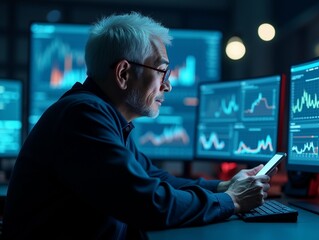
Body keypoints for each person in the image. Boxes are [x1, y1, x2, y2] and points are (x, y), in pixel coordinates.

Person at [3, 12, 275, 239]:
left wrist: (224, 186)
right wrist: (233, 201)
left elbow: (155, 179)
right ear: (123, 73)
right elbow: (148, 203)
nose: (167, 85)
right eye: (161, 71)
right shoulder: (83, 116)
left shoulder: (101, 114)